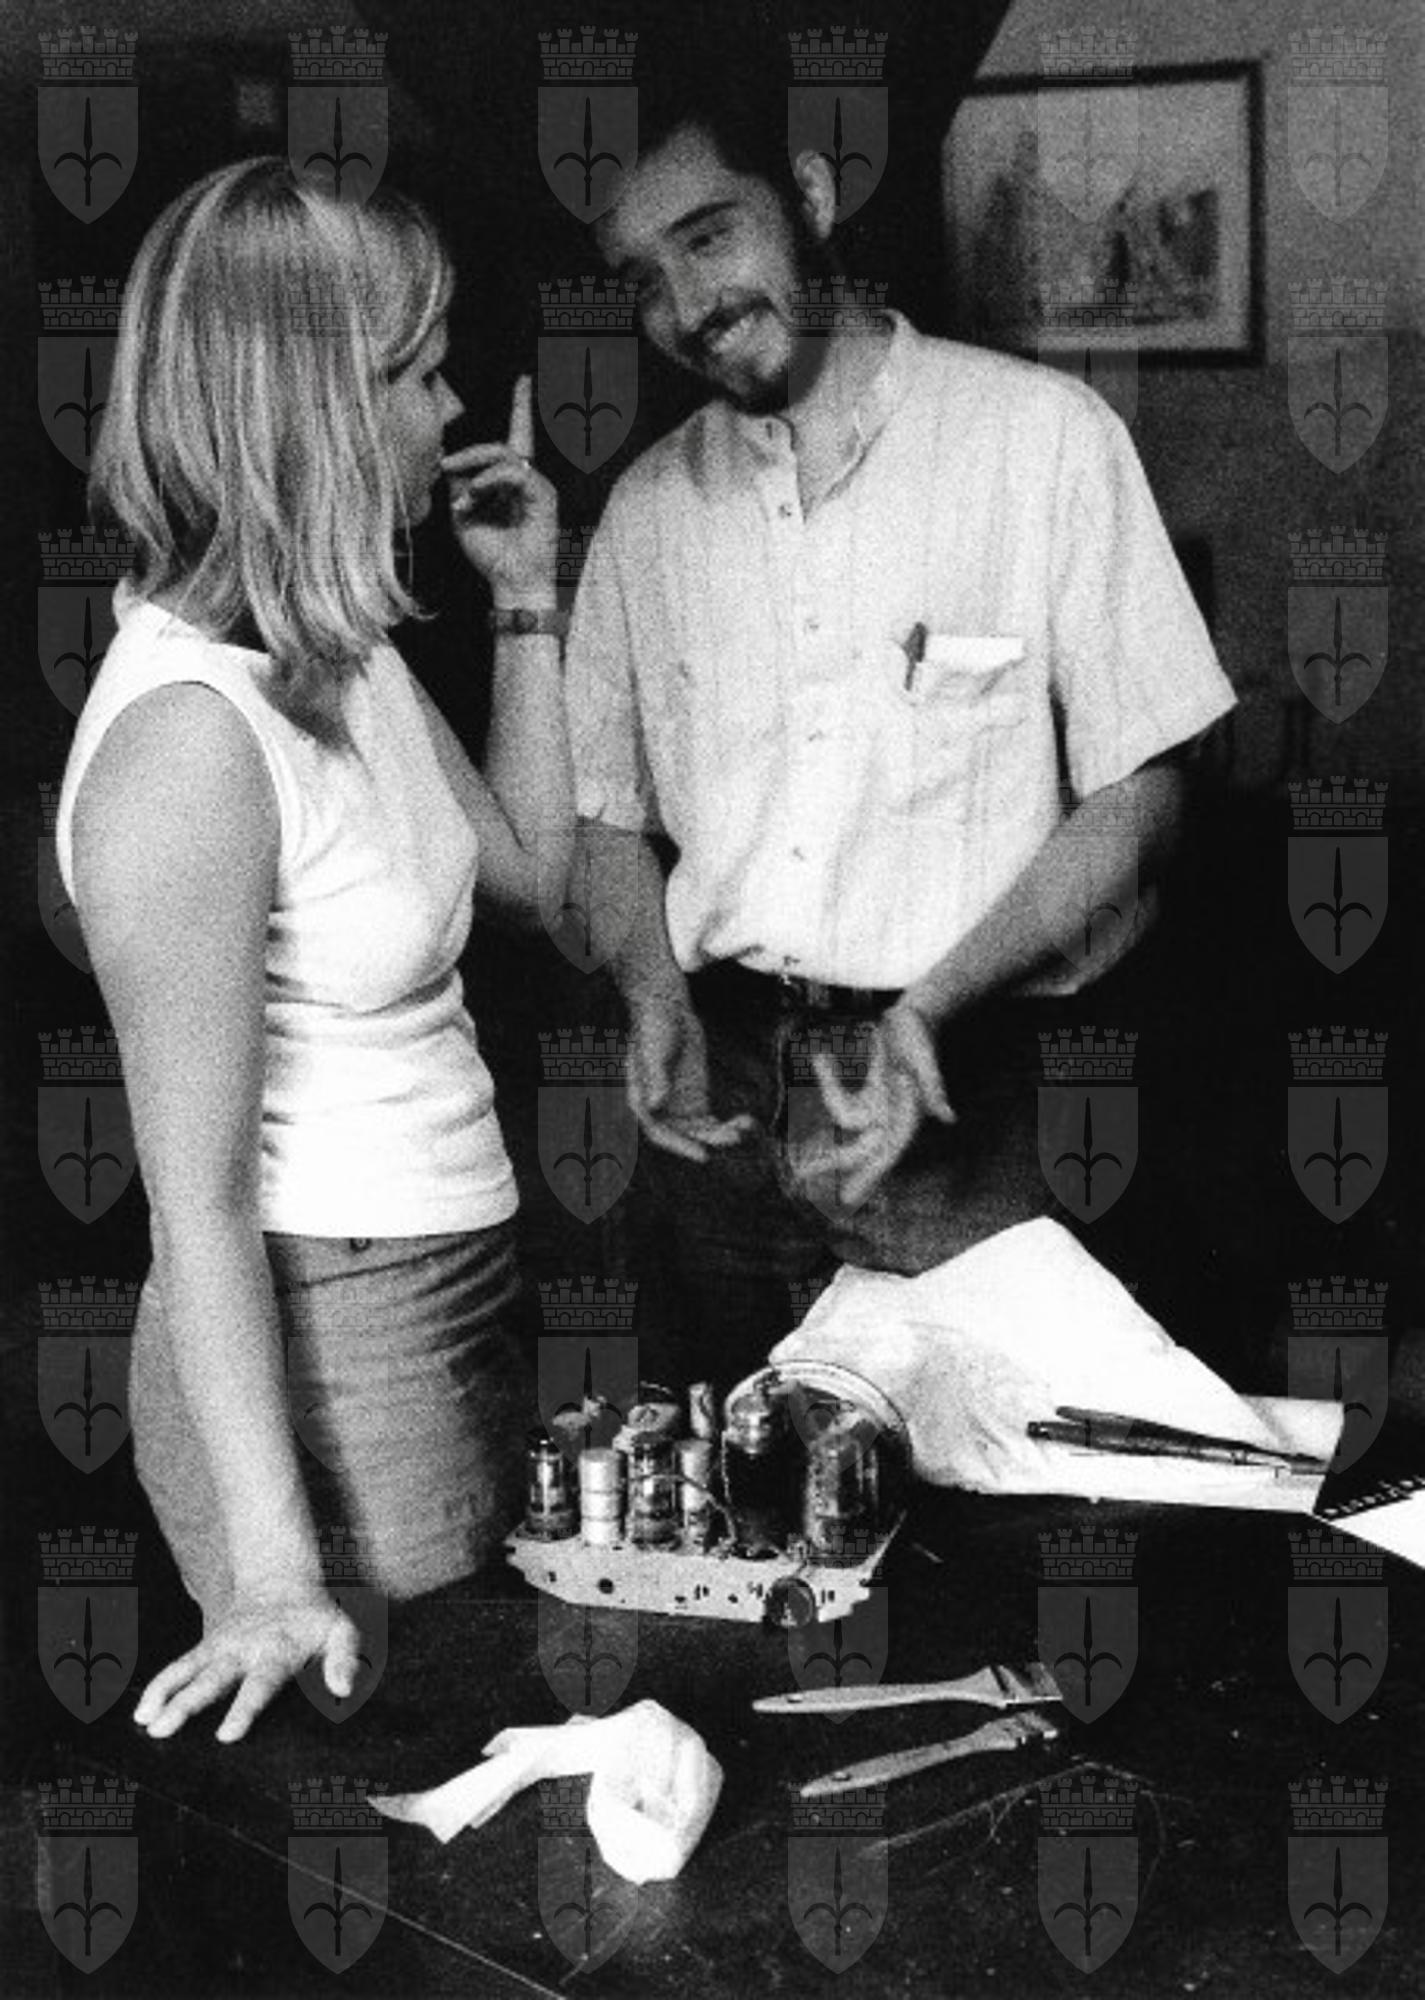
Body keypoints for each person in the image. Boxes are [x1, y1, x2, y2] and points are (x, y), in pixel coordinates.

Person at [563, 84, 1238, 1387]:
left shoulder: (1042, 440)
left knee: (989, 1482)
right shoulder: (646, 512)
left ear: (810, 199)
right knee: (733, 1474)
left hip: (973, 1097)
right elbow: (606, 817)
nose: (687, 305)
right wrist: (651, 992)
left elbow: (1144, 797)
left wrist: (929, 1010)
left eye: (709, 236)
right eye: (642, 280)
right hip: (722, 1115)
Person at [55, 158, 572, 1742]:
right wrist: (273, 1577)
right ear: (311, 409)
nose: (450, 408)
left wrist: (527, 603)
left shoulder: (334, 651)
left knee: (488, 1754)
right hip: (324, 1338)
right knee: (418, 1787)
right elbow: (196, 1205)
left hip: (448, 1287)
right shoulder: (190, 742)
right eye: (416, 375)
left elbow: (534, 879)